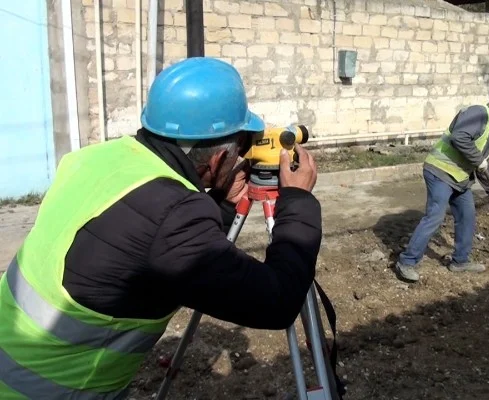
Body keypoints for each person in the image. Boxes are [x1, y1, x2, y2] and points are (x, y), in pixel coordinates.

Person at [0, 57, 321, 399]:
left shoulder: (96, 159)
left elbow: (141, 235)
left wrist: (225, 204)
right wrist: (298, 202)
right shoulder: (173, 219)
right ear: (216, 160)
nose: (244, 153)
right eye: (241, 145)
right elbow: (278, 302)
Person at [394, 85, 489, 282]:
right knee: (435, 216)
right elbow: (459, 138)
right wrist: (478, 160)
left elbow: (482, 166)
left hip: (459, 177)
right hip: (440, 171)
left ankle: (460, 262)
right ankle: (406, 262)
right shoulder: (478, 114)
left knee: (467, 216)